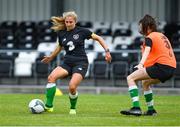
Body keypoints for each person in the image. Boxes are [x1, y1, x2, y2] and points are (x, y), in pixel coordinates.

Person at [41, 11, 112, 114]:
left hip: (81, 63)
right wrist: (51, 57)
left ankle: (73, 108)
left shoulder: (82, 31)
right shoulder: (61, 33)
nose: (68, 24)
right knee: (51, 78)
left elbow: (98, 38)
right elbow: (60, 47)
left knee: (72, 87)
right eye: (67, 22)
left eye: (71, 22)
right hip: (67, 63)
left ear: (75, 22)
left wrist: (107, 52)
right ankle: (49, 106)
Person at [120, 14, 176, 116]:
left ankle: (136, 108)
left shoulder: (150, 36)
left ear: (149, 26)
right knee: (145, 83)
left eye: (142, 26)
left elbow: (147, 50)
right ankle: (151, 110)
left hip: (161, 66)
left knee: (130, 78)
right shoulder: (162, 36)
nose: (140, 28)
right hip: (171, 68)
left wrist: (141, 64)